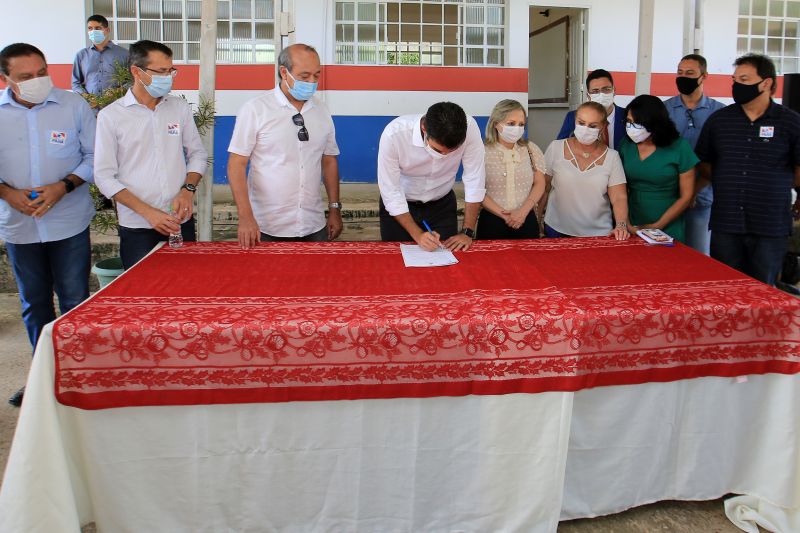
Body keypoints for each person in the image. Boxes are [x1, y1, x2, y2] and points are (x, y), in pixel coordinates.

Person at [0, 43, 96, 406]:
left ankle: (77, 373)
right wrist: (8, 194)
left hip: (68, 223)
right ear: (5, 79)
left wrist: (63, 186)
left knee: (74, 299)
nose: (38, 80)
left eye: (42, 72)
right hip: (19, 226)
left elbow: (93, 155)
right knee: (34, 303)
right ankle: (42, 378)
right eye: (26, 77)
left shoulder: (73, 106)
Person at [94, 40, 207, 269]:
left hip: (179, 222)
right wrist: (148, 213)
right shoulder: (111, 116)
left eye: (171, 70)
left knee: (185, 289)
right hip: (138, 227)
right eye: (161, 71)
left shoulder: (178, 108)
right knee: (142, 296)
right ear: (137, 71)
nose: (169, 77)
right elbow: (104, 176)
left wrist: (188, 191)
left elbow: (197, 155)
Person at [695, 53, 800, 286]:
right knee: (726, 289)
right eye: (735, 80)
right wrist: (725, 181)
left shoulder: (790, 122)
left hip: (770, 226)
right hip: (727, 223)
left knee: (764, 292)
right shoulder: (719, 121)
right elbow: (704, 162)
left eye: (744, 79)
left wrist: (776, 186)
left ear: (767, 83)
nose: (736, 85)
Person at [228, 44, 342, 247]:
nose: (312, 82)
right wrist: (245, 216)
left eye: (317, 75)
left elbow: (329, 160)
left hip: (313, 224)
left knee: (319, 279)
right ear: (284, 72)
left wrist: (334, 209)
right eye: (304, 76)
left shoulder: (321, 110)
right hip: (266, 226)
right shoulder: (256, 109)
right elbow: (236, 164)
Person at [378, 102, 485, 251]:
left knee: (447, 261)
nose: (444, 156)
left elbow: (475, 180)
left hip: (442, 206)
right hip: (401, 207)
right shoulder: (394, 135)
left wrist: (467, 231)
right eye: (438, 150)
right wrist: (418, 235)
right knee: (397, 264)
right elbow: (390, 191)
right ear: (424, 128)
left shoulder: (470, 128)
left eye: (451, 152)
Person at [664, 54, 725, 255]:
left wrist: (693, 191)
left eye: (690, 73)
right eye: (680, 73)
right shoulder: (665, 110)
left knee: (698, 255)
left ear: (704, 76)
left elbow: (719, 158)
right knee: (666, 255)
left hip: (701, 198)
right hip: (668, 197)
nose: (683, 77)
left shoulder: (719, 113)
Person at [542, 102, 630, 240]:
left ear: (603, 127)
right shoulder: (555, 148)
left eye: (593, 126)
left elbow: (619, 197)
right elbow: (543, 187)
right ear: (575, 121)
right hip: (556, 229)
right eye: (581, 123)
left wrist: (621, 225)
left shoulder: (612, 157)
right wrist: (537, 220)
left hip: (599, 233)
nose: (585, 129)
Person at [618, 95, 697, 243]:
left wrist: (656, 226)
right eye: (629, 122)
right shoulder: (626, 145)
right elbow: (619, 188)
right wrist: (626, 223)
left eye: (638, 123)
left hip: (668, 222)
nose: (631, 127)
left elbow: (687, 196)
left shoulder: (679, 147)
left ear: (655, 123)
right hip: (632, 220)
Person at [477, 99, 546, 239]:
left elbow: (540, 183)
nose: (517, 128)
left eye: (521, 124)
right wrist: (504, 215)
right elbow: (476, 189)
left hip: (526, 218)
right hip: (492, 221)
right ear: (496, 124)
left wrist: (523, 211)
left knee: (529, 260)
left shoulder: (531, 149)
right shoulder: (481, 152)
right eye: (511, 124)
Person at [557, 69, 627, 150]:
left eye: (606, 89)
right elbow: (560, 147)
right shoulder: (573, 117)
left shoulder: (627, 116)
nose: (601, 95)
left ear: (614, 91)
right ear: (588, 96)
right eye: (595, 91)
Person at [72, 14, 129, 95]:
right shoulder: (81, 55)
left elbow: (131, 81)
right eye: (90, 28)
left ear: (107, 30)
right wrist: (86, 97)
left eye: (98, 28)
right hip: (89, 105)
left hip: (115, 104)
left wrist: (116, 93)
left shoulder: (124, 54)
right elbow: (75, 83)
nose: (93, 31)